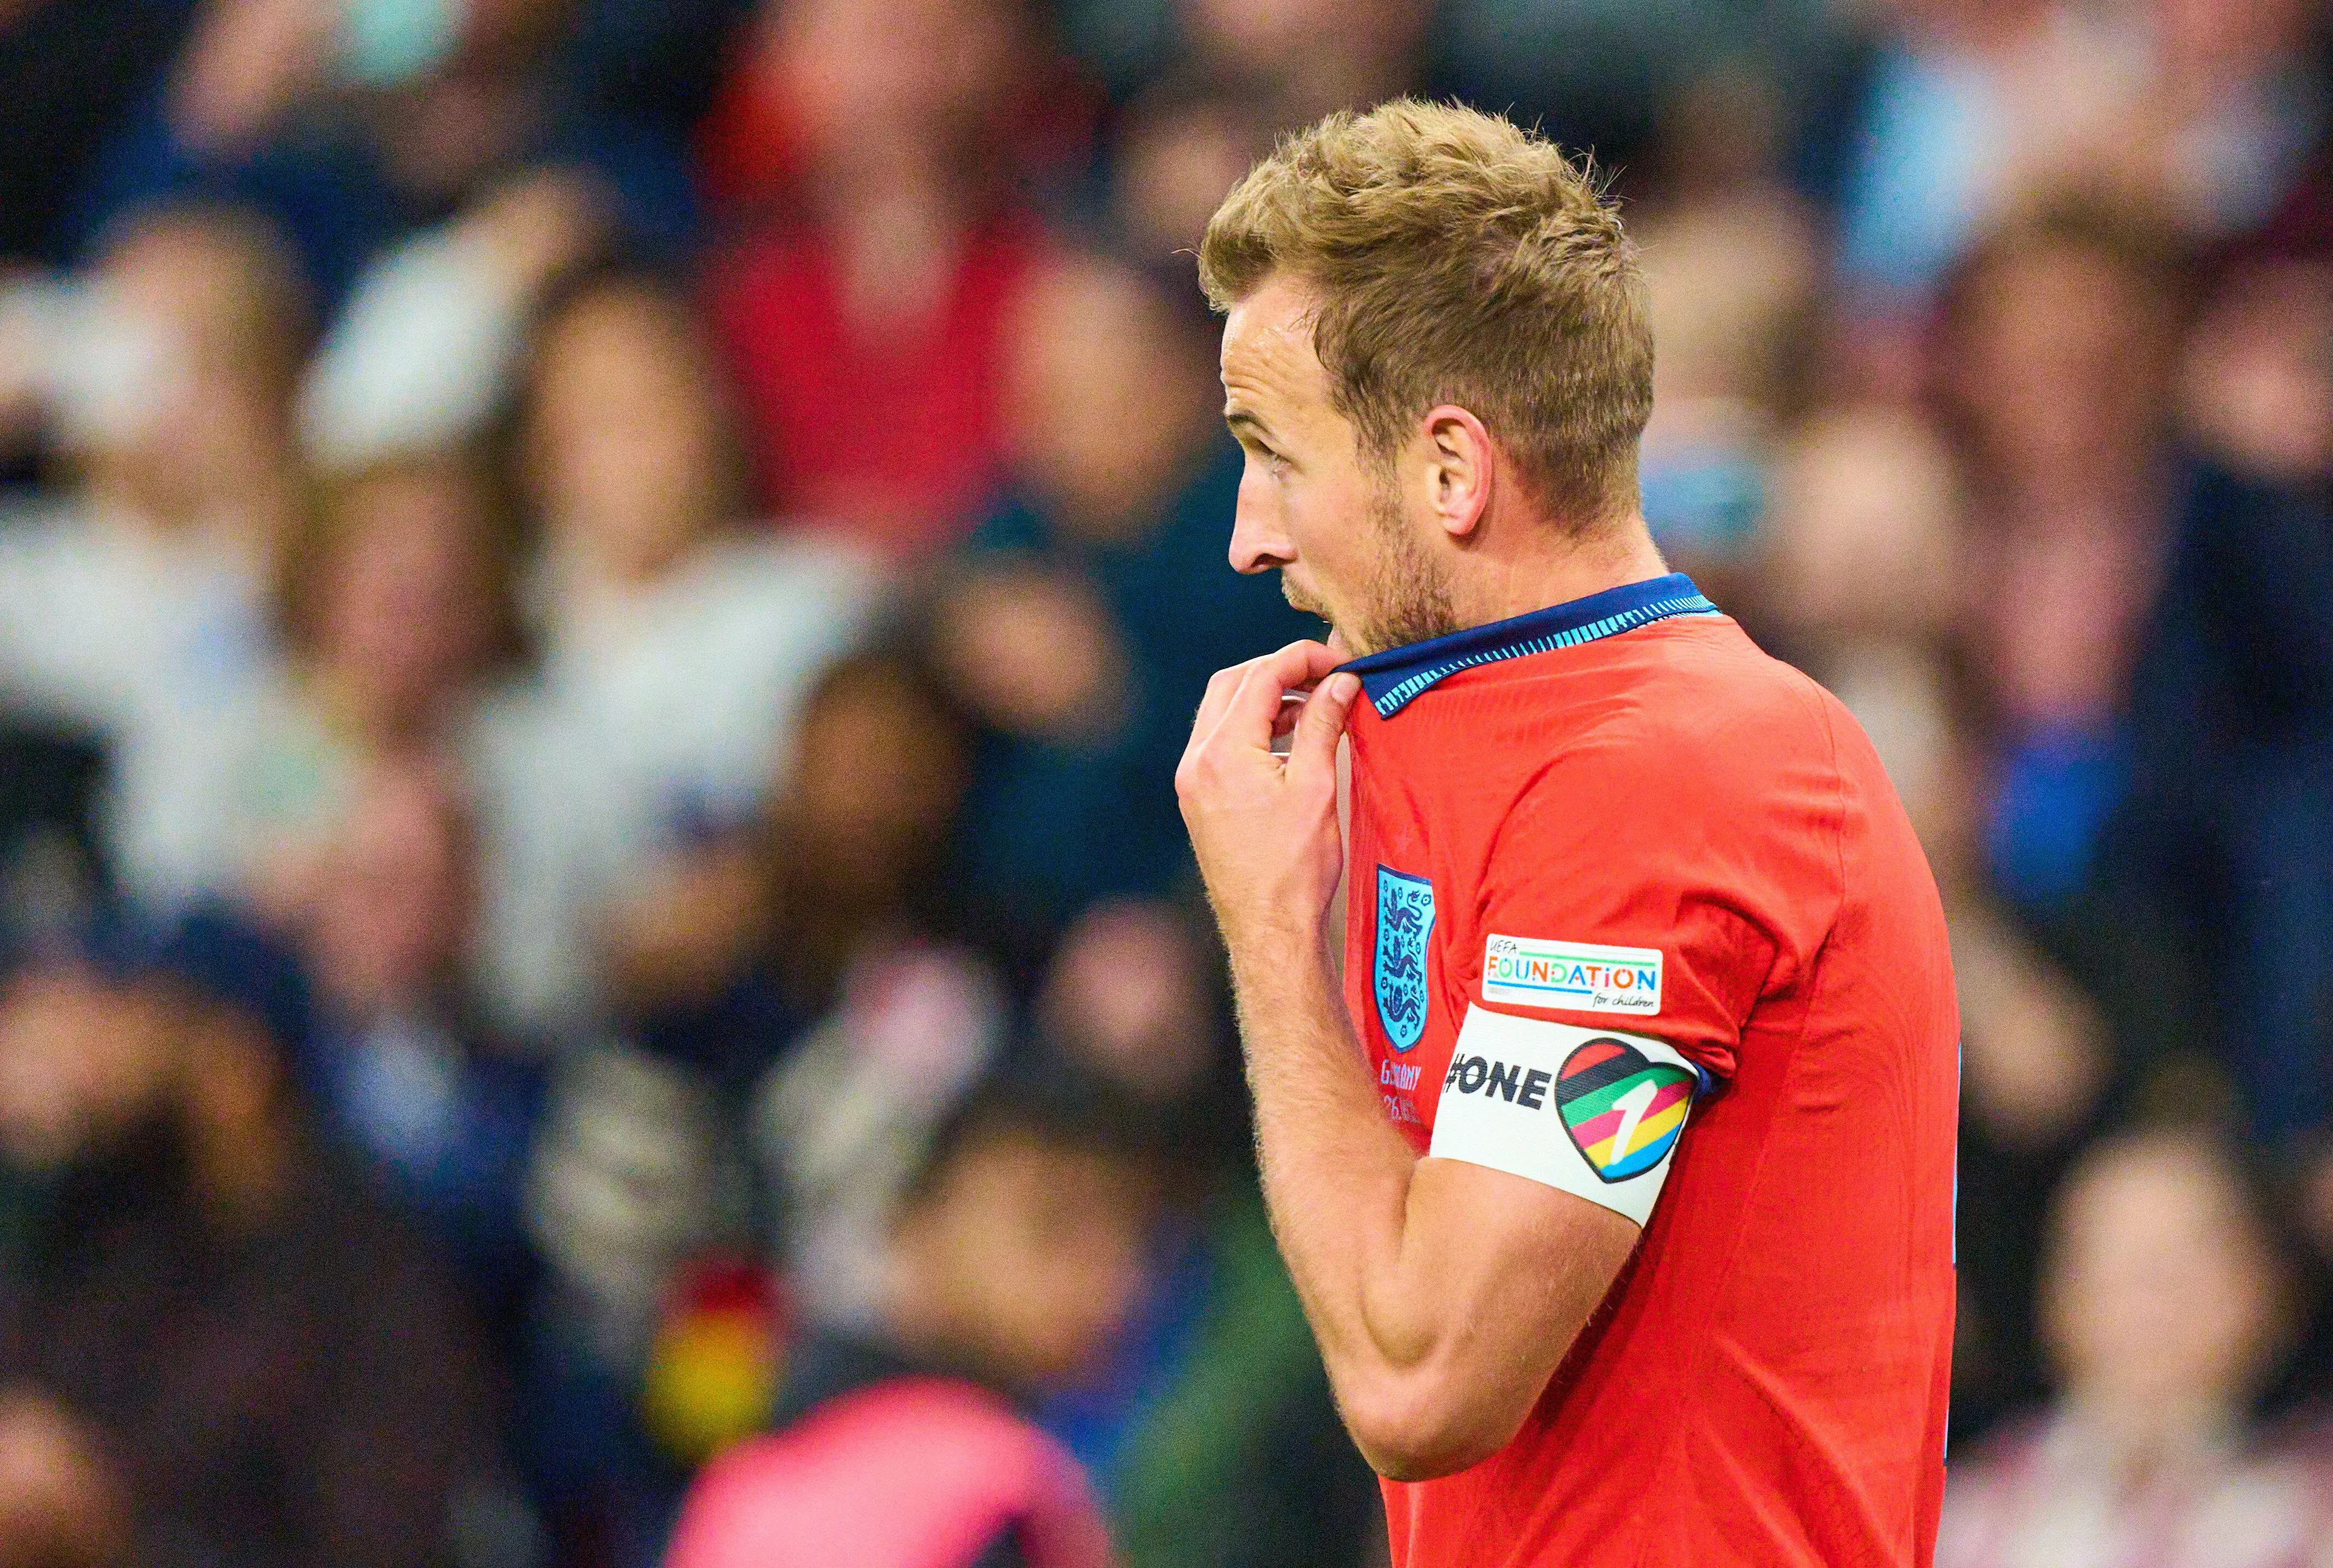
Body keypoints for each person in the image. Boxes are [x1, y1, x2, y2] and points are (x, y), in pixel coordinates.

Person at [1173, 100, 1959, 1565]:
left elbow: (1425, 1381)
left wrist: (1273, 934)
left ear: (1451, 472)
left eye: (1273, 454)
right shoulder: (1455, 734)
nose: (1248, 535)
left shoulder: (1668, 772)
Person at [1936, 1131, 2331, 1568]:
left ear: (2261, 1288)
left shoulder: (2310, 1509)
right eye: (2112, 1268)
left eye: (2175, 1270)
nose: (2146, 1305)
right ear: (2055, 1297)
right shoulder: (1970, 1510)